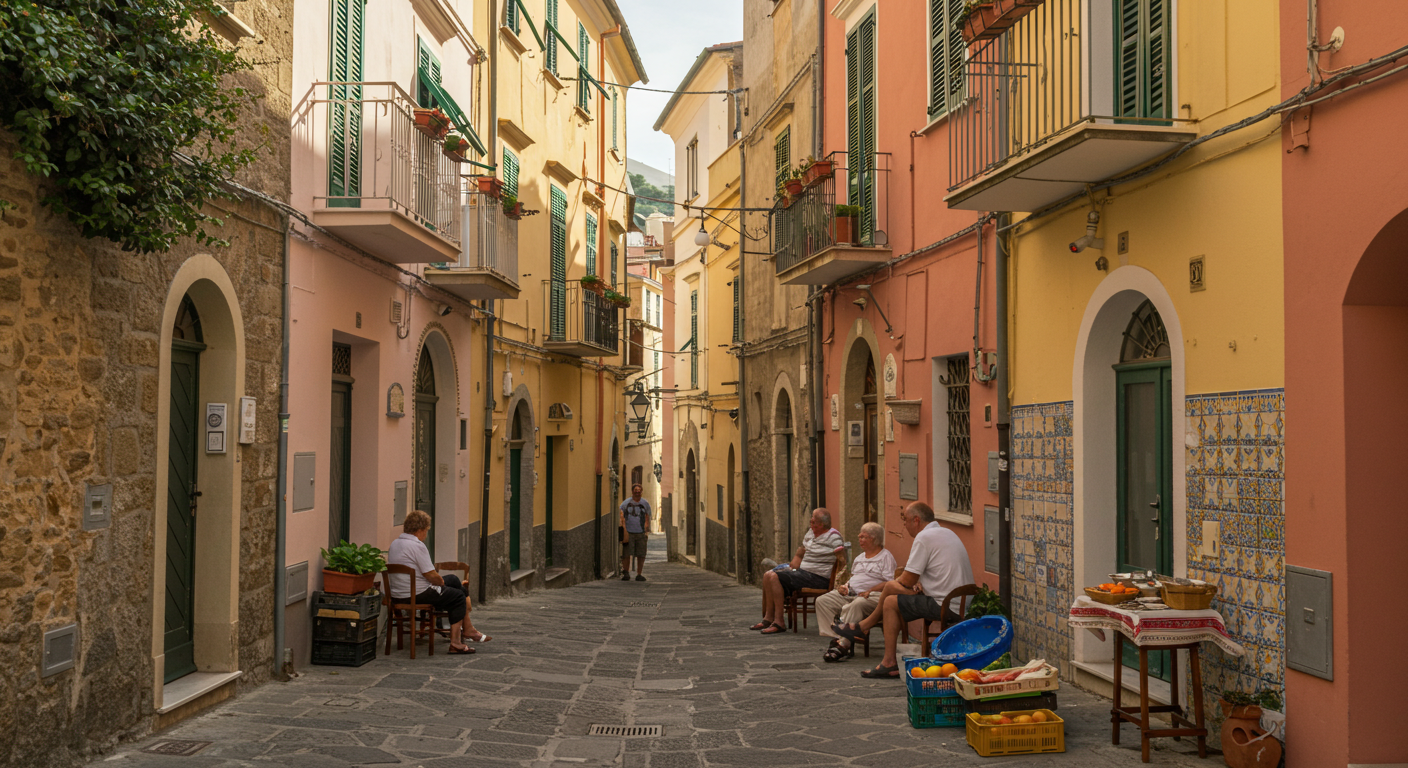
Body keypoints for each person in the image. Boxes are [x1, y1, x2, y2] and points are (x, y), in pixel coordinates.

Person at [835, 501, 974, 678]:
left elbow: (907, 580)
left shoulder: (924, 538)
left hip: (947, 605)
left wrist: (905, 583)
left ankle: (887, 659)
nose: (904, 525)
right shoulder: (947, 532)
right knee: (892, 590)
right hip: (961, 601)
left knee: (891, 599)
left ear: (916, 520)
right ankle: (864, 627)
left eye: (905, 520)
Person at [388, 510, 491, 654]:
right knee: (458, 597)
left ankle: (468, 629)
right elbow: (431, 575)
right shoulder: (417, 546)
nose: (426, 534)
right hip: (418, 593)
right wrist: (441, 582)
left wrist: (441, 582)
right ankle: (456, 643)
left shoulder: (395, 543)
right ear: (421, 529)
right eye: (426, 530)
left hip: (399, 593)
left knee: (454, 581)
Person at [749, 508, 845, 635]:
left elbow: (842, 559)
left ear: (822, 524)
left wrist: (839, 579)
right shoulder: (811, 533)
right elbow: (802, 551)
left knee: (773, 576)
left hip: (818, 577)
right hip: (803, 573)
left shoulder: (833, 537)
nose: (811, 522)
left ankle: (779, 622)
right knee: (767, 575)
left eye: (814, 521)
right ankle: (768, 618)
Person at [816, 521, 896, 662]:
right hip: (852, 594)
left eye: (863, 537)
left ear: (874, 539)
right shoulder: (859, 558)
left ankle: (843, 644)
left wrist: (870, 590)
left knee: (857, 603)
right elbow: (854, 578)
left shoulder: (885, 557)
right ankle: (836, 639)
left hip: (874, 597)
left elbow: (890, 583)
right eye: (860, 536)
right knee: (823, 601)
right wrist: (845, 586)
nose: (859, 539)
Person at [619, 483, 652, 581]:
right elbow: (621, 514)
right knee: (626, 554)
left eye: (639, 491)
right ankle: (626, 573)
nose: (637, 492)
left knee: (641, 554)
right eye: (635, 490)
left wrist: (646, 529)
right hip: (628, 533)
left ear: (641, 492)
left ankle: (639, 574)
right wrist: (624, 528)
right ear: (632, 492)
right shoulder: (626, 503)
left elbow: (647, 516)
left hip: (641, 533)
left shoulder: (645, 503)